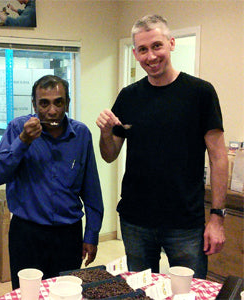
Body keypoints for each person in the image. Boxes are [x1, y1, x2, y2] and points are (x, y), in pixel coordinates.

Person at [96, 14, 228, 279]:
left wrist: (217, 218)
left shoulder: (200, 93)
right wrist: (105, 132)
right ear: (135, 53)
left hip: (185, 223)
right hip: (135, 220)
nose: (151, 56)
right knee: (140, 291)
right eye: (143, 49)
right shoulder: (129, 96)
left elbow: (219, 158)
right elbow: (109, 155)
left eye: (157, 46)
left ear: (171, 43)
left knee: (187, 293)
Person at [0, 75, 104, 289]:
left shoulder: (81, 134)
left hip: (68, 234)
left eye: (58, 102)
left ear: (67, 103)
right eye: (44, 103)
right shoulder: (17, 128)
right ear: (34, 105)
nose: (52, 111)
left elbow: (92, 189)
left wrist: (92, 234)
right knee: (28, 294)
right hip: (27, 233)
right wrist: (23, 141)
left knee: (66, 292)